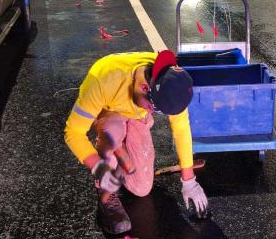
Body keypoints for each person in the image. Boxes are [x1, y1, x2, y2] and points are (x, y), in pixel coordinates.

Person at [64, 51, 208, 235]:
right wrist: (99, 168)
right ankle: (106, 188)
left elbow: (181, 130)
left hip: (137, 114)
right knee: (113, 134)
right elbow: (73, 133)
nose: (154, 112)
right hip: (110, 111)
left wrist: (189, 180)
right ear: (144, 87)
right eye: (152, 108)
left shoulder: (169, 83)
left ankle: (122, 145)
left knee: (141, 188)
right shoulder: (102, 80)